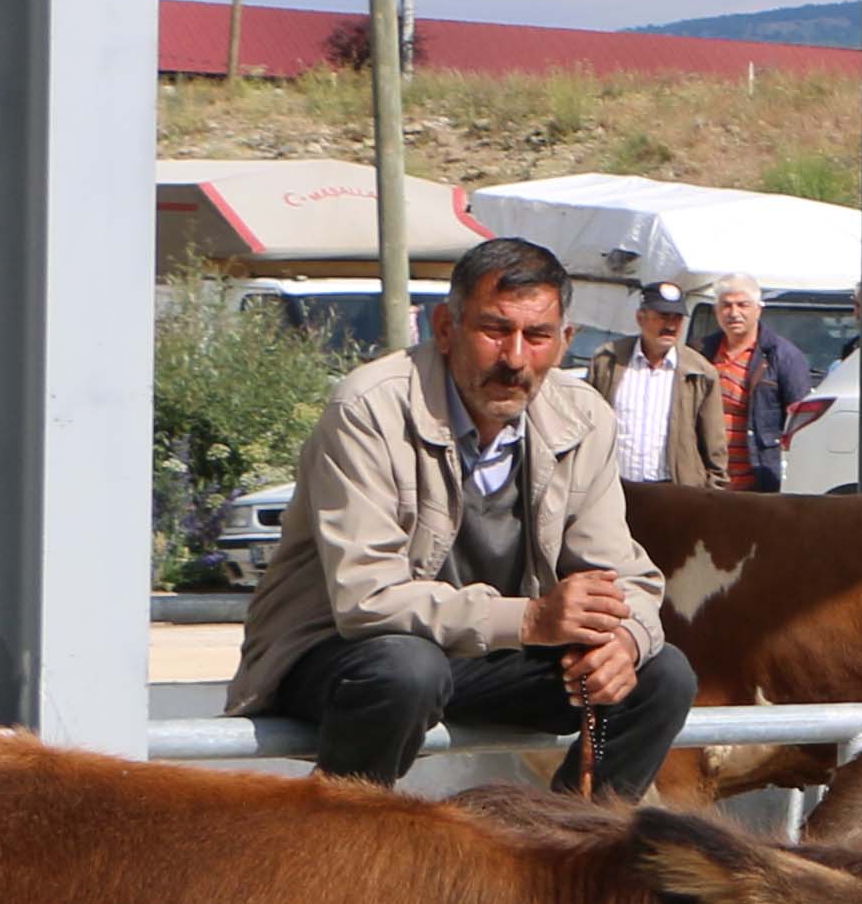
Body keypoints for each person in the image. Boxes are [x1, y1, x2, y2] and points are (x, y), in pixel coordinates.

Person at [231, 232, 698, 795]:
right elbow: (365, 599)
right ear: (446, 329)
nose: (515, 359)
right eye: (495, 330)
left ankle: (564, 853)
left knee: (660, 675)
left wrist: (623, 642)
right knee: (407, 670)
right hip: (341, 654)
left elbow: (626, 578)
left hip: (483, 655)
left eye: (538, 336)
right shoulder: (368, 409)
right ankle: (346, 849)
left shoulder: (584, 419)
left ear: (564, 340)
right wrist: (530, 620)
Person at [584, 275, 725, 490]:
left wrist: (714, 491)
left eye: (677, 318)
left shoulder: (701, 372)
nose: (671, 325)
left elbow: (714, 443)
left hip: (675, 493)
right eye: (663, 316)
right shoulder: (607, 361)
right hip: (613, 489)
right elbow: (586, 425)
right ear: (641, 318)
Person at [705, 277, 819, 493]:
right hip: (710, 481)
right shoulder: (702, 352)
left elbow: (800, 422)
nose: (734, 312)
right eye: (726, 305)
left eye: (742, 305)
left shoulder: (783, 356)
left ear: (758, 310)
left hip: (760, 480)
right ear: (716, 310)